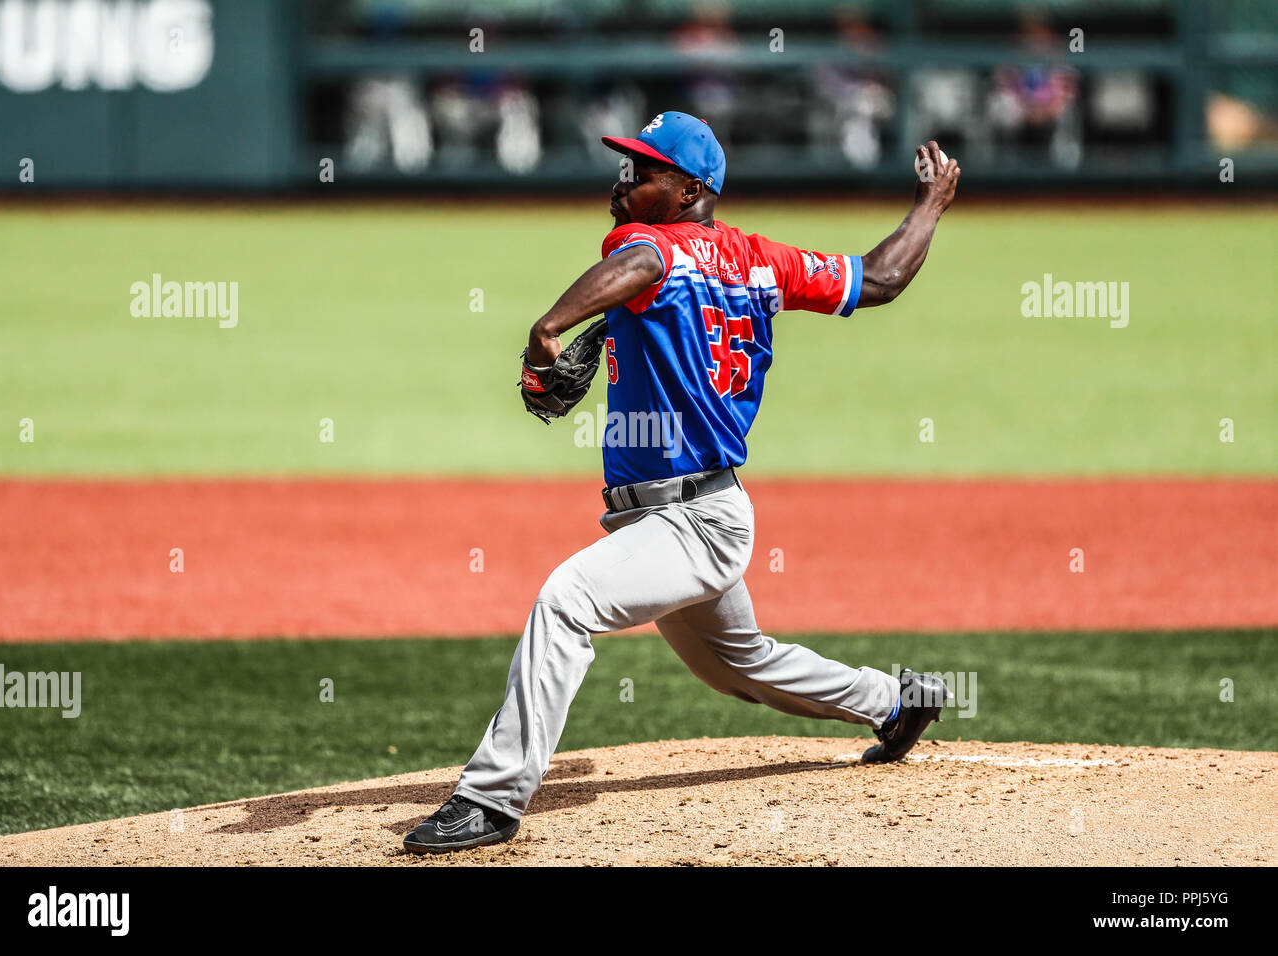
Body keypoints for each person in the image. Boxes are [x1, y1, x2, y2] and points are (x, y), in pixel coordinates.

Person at [403, 111, 961, 854]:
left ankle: (491, 799)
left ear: (692, 189)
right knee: (741, 664)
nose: (627, 179)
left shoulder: (647, 246)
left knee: (565, 603)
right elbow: (882, 277)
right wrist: (930, 205)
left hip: (691, 521)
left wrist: (550, 327)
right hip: (697, 513)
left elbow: (642, 266)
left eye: (645, 170)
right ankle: (898, 702)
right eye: (627, 164)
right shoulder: (766, 260)